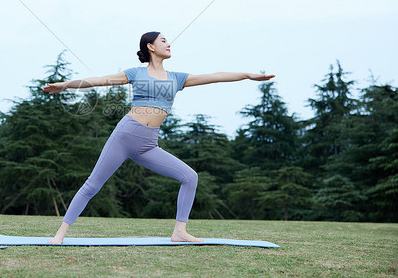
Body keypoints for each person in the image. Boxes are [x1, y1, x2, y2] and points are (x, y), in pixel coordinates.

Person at [42, 31, 275, 244]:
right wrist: (65, 85)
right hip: (125, 136)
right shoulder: (136, 73)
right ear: (150, 47)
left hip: (148, 144)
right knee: (93, 184)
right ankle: (59, 235)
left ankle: (179, 232)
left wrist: (247, 75)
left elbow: (214, 76)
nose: (168, 43)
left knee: (190, 177)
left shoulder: (177, 78)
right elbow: (99, 80)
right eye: (163, 40)